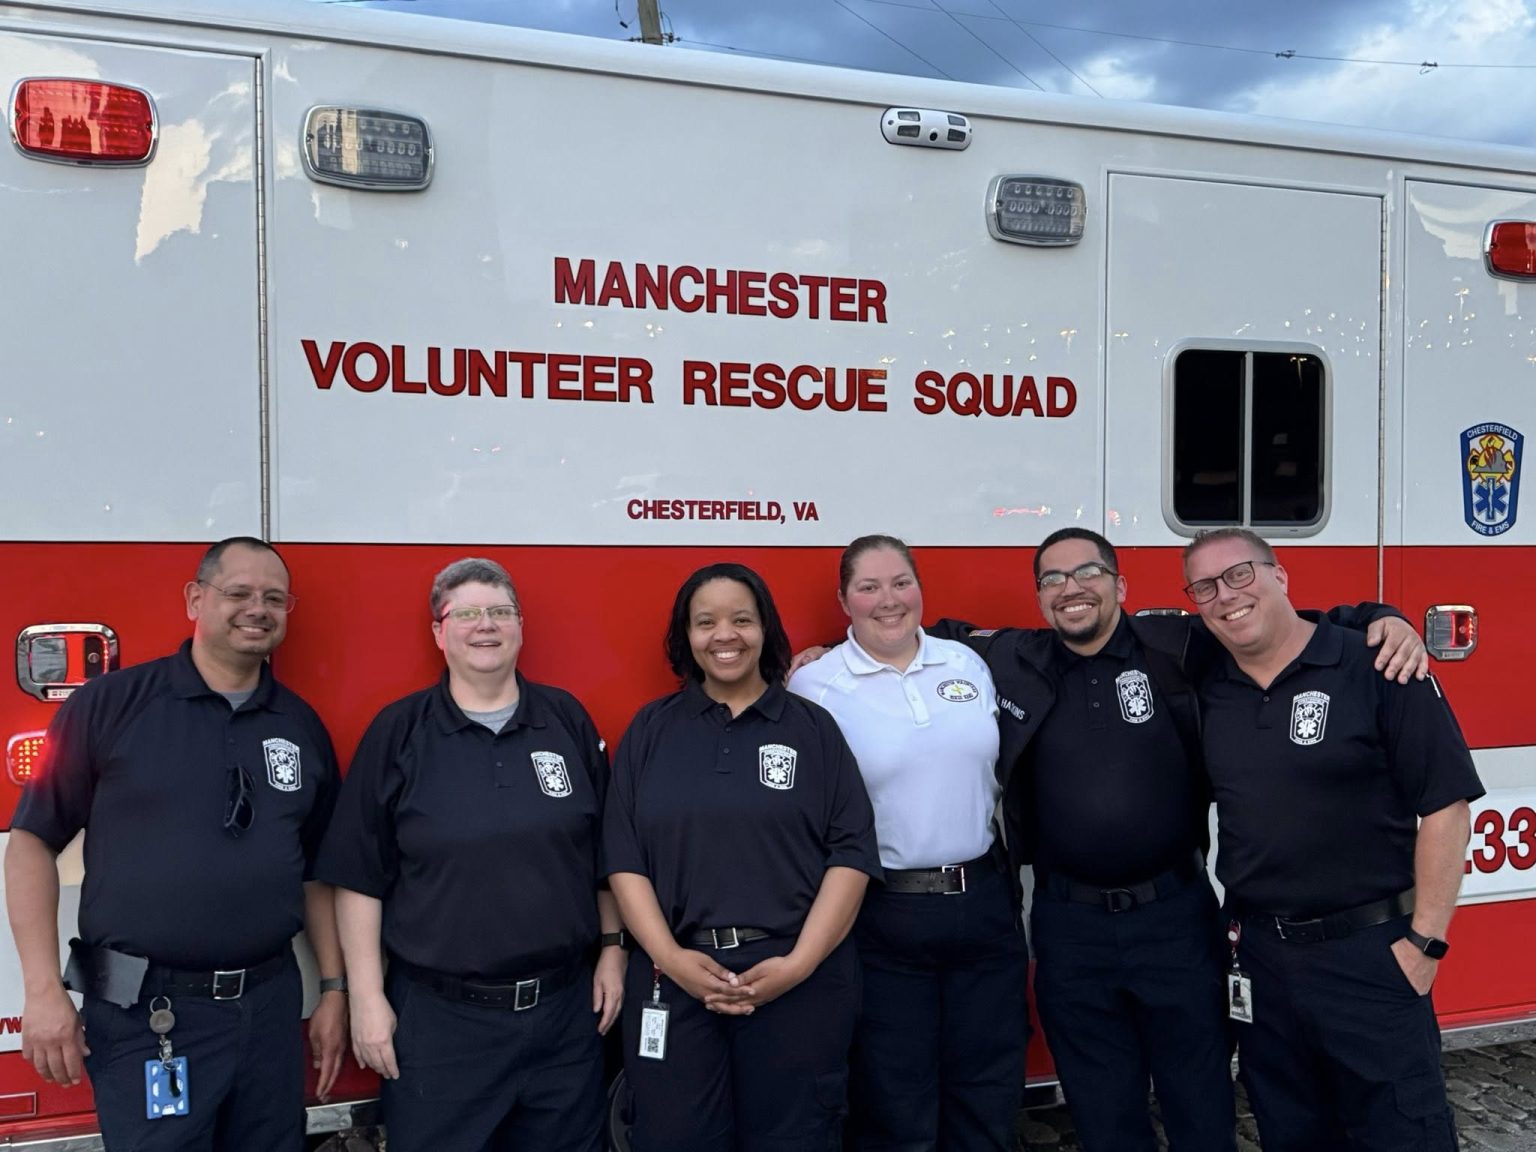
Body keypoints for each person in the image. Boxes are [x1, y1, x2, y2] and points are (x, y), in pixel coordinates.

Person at [913, 527, 1428, 1152]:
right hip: (1067, 928)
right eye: (1052, 579)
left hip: (1176, 918)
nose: (1071, 589)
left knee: (1200, 1101)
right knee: (1102, 1111)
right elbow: (921, 636)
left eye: (1088, 573)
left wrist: (1384, 616)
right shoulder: (1014, 658)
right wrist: (823, 653)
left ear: (1119, 584)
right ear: (1040, 597)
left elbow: (1284, 625)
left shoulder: (1178, 645)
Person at [4, 536, 348, 1152]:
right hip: (146, 1013)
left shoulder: (299, 724)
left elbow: (317, 872)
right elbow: (31, 843)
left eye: (274, 597)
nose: (257, 609)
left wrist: (332, 990)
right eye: (238, 593)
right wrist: (41, 990)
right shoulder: (110, 704)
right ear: (195, 598)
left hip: (268, 1010)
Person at [1182, 528, 1481, 1152]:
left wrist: (1425, 941)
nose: (1226, 596)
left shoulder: (1376, 664)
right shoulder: (1208, 685)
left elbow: (1447, 807)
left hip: (1370, 953)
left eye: (1240, 574)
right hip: (1259, 958)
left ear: (1279, 574)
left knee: (1404, 1132)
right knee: (1290, 1130)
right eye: (1204, 587)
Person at [317, 557, 623, 1152]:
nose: (487, 626)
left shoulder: (566, 720)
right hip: (441, 1024)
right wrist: (367, 1000)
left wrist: (612, 951)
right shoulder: (399, 732)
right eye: (468, 614)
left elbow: (604, 854)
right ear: (439, 631)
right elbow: (358, 878)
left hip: (564, 1015)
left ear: (521, 627)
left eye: (501, 612)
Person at [604, 562, 881, 1152]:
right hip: (676, 977)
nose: (724, 635)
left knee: (797, 1137)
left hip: (797, 979)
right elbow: (623, 859)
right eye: (706, 622)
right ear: (686, 635)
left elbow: (851, 855)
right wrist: (672, 959)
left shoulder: (812, 728)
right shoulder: (652, 730)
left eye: (741, 620)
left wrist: (800, 963)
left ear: (765, 630)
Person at [787, 535, 1027, 1152]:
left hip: (985, 902)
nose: (887, 600)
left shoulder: (966, 664)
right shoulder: (814, 685)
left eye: (900, 582)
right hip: (884, 913)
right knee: (896, 1095)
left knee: (989, 1082)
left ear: (920, 588)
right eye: (868, 587)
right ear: (844, 600)